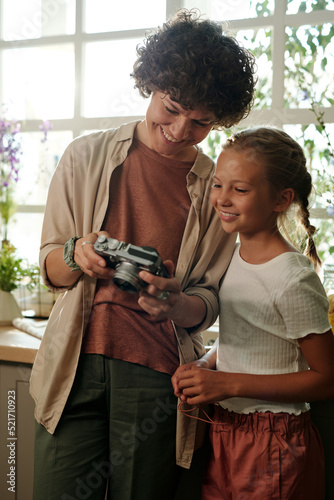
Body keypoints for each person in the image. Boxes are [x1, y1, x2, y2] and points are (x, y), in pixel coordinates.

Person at [30, 9, 257, 500]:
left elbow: (209, 298)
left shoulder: (218, 188)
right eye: (171, 108)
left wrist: (177, 304)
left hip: (157, 375)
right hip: (73, 367)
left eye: (200, 123)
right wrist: (76, 253)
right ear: (150, 83)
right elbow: (49, 265)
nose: (179, 130)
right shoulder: (85, 157)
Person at [172, 127, 334, 500]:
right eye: (218, 185)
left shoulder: (292, 277)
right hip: (226, 428)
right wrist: (209, 364)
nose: (222, 199)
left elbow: (326, 378)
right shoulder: (231, 255)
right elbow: (252, 339)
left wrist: (228, 383)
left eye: (240, 190)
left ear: (282, 199)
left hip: (275, 439)